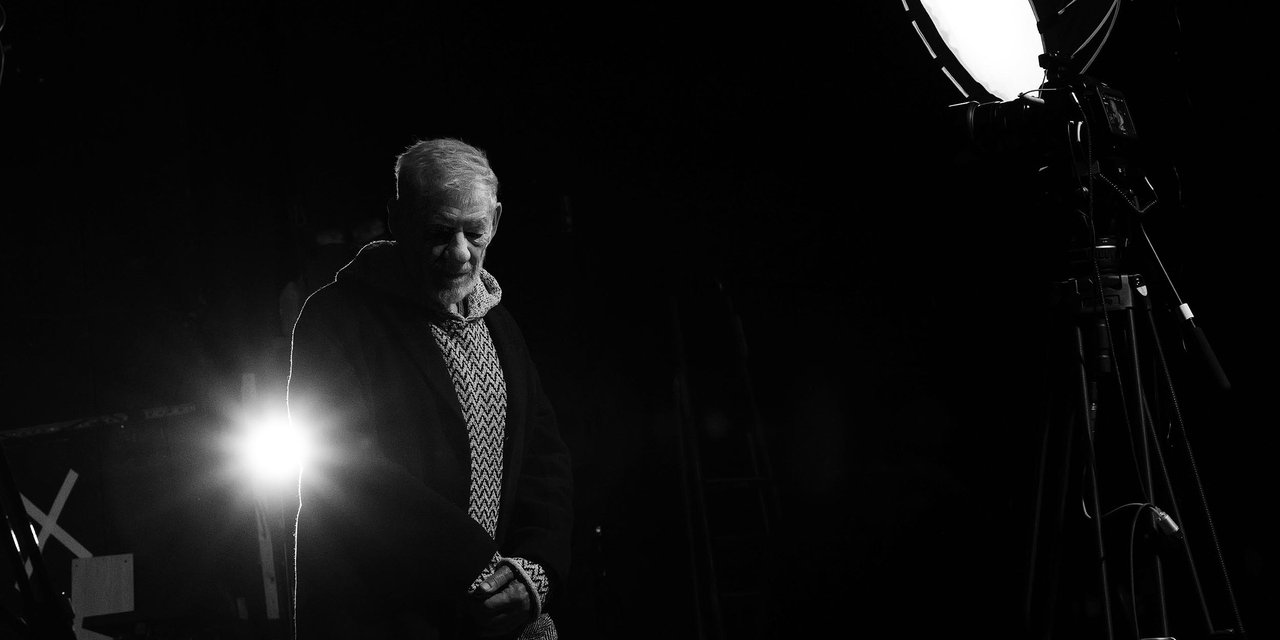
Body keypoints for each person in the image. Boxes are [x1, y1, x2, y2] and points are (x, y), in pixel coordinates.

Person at [286, 138, 573, 639]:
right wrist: (485, 571)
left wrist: (534, 569)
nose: (460, 253)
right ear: (397, 219)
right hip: (381, 618)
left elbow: (544, 462)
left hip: (488, 618)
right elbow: (350, 468)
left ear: (497, 221)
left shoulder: (501, 327)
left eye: (475, 232)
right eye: (440, 232)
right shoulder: (335, 319)